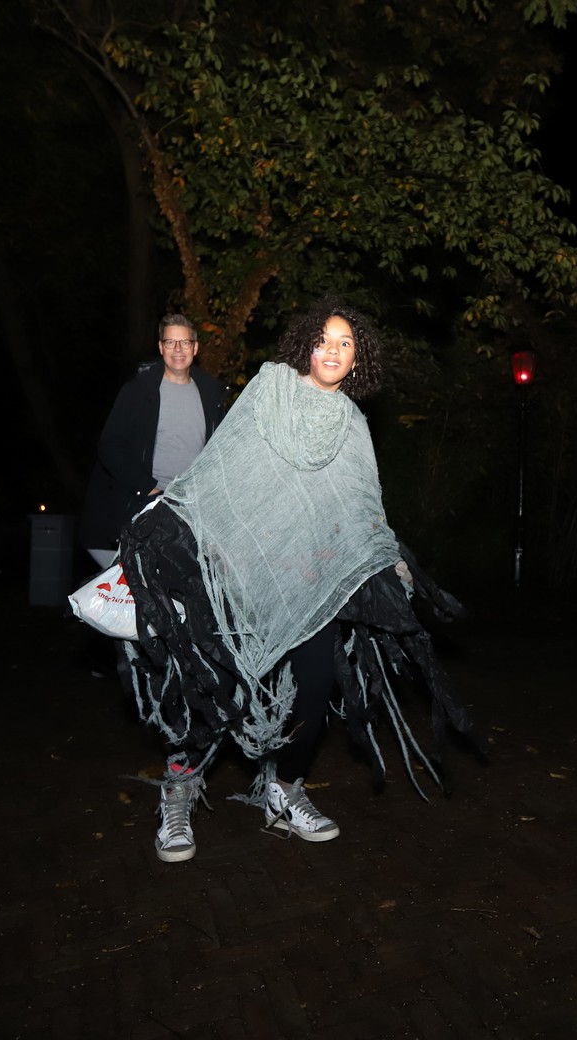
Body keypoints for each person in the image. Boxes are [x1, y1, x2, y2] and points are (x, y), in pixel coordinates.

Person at [113, 298, 472, 863]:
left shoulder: (353, 424)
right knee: (217, 684)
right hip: (240, 572)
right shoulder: (270, 389)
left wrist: (386, 556)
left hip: (309, 583)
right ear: (307, 344)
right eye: (324, 339)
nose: (333, 350)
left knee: (315, 687)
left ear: (357, 359)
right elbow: (222, 466)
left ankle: (285, 790)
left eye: (346, 343)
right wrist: (175, 517)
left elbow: (361, 507)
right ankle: (179, 790)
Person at [79, 314, 228, 569]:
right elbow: (110, 445)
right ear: (161, 347)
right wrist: (148, 489)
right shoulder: (139, 391)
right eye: (170, 342)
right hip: (143, 508)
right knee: (133, 587)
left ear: (195, 348)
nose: (178, 349)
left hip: (189, 513)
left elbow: (218, 455)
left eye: (184, 342)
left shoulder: (211, 396)